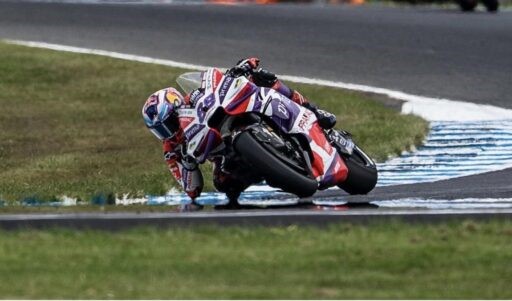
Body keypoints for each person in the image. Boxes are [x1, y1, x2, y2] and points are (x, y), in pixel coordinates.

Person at [142, 58, 337, 208]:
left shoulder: (191, 97)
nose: (166, 131)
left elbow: (216, 81)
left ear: (176, 107)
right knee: (223, 184)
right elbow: (192, 189)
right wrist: (187, 163)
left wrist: (240, 69)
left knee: (263, 79)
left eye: (167, 123)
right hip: (223, 153)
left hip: (233, 112)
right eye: (159, 130)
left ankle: (313, 110)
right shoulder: (171, 148)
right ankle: (276, 170)